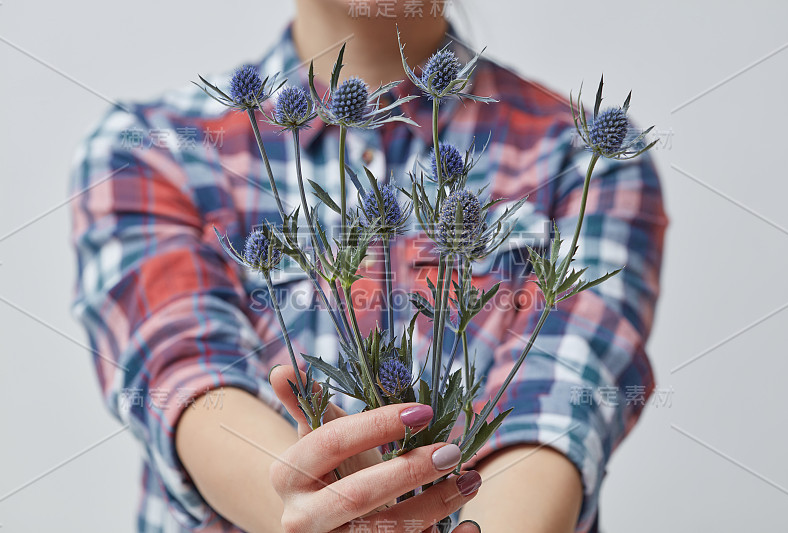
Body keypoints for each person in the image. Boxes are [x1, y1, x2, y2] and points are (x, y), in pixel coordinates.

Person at [68, 1, 667, 531]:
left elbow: (563, 396)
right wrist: (311, 510)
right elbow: (183, 375)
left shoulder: (582, 154)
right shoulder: (149, 146)